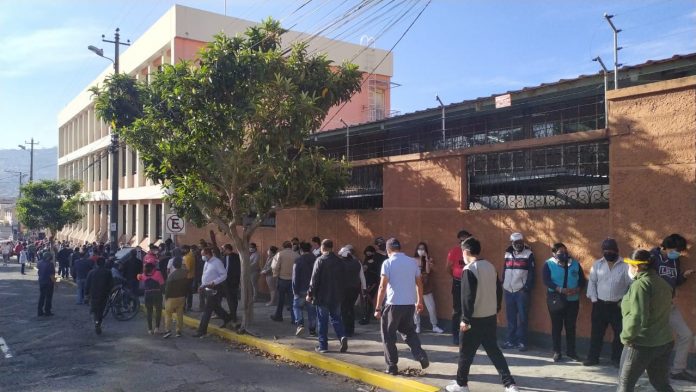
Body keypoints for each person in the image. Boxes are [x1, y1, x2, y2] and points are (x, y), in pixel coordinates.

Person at [446, 237, 519, 392]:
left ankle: (461, 384)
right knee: (494, 352)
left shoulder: (469, 270)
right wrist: (496, 309)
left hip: (472, 319)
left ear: (465, 251)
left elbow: (467, 297)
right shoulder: (490, 267)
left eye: (462, 253)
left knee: (465, 354)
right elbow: (498, 291)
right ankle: (510, 384)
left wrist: (465, 319)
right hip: (489, 317)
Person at [617, 250, 675, 392]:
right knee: (660, 384)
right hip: (664, 341)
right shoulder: (663, 283)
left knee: (625, 385)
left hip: (641, 342)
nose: (628, 268)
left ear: (637, 267)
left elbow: (637, 317)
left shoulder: (640, 285)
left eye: (630, 265)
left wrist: (626, 337)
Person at [373, 237, 429, 375]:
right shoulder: (412, 262)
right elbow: (419, 283)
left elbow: (382, 286)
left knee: (388, 336)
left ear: (388, 250)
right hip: (409, 304)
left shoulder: (387, 263)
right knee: (409, 332)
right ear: (400, 248)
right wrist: (419, 301)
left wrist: (378, 307)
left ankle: (392, 366)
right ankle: (420, 354)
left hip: (392, 305)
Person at [650, 233, 696, 382]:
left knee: (686, 335)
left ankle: (678, 370)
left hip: (669, 305)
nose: (678, 253)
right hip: (654, 306)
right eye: (676, 250)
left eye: (680, 251)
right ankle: (648, 368)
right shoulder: (653, 257)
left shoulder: (674, 262)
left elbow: (675, 281)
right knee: (655, 338)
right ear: (666, 246)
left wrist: (684, 276)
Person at [584, 238, 632, 367]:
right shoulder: (597, 264)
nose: (608, 253)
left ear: (616, 251)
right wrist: (594, 300)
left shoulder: (626, 266)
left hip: (618, 306)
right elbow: (592, 283)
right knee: (596, 333)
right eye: (605, 251)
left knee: (619, 334)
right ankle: (593, 358)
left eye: (611, 250)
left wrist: (624, 301)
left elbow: (631, 286)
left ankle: (616, 359)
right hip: (599, 305)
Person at [543, 242, 586, 362]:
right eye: (560, 252)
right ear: (554, 253)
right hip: (555, 299)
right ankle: (557, 351)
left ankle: (571, 352)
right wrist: (560, 289)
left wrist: (578, 289)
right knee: (556, 326)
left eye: (565, 251)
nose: (564, 254)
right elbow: (546, 281)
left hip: (573, 300)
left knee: (571, 326)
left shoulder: (575, 264)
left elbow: (582, 280)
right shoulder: (549, 264)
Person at [307, 239, 348, 354]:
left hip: (322, 296)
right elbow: (344, 279)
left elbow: (314, 280)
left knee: (322, 321)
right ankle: (342, 336)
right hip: (337, 296)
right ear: (332, 247)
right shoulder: (340, 261)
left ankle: (323, 346)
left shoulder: (320, 260)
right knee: (336, 318)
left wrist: (310, 294)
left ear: (322, 248)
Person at [501, 232, 535, 352]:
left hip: (521, 291)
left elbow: (531, 273)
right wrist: (503, 282)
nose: (518, 244)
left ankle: (522, 342)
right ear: (512, 243)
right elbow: (505, 269)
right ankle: (511, 340)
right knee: (510, 317)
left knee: (522, 318)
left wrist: (526, 288)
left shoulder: (528, 254)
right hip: (508, 290)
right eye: (516, 242)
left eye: (520, 242)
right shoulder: (507, 254)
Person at [193, 247, 233, 337]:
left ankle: (201, 331)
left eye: (203, 255)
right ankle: (228, 318)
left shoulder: (217, 262)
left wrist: (214, 282)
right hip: (207, 288)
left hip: (215, 288)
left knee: (207, 310)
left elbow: (224, 275)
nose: (202, 257)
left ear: (208, 254)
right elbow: (206, 275)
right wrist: (202, 286)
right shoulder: (207, 262)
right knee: (215, 307)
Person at [447, 229, 473, 345]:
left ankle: (468, 333)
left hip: (470, 283)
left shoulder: (473, 251)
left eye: (465, 240)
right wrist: (455, 276)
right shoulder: (454, 251)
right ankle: (455, 334)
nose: (463, 242)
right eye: (461, 240)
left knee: (469, 308)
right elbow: (448, 267)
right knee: (457, 310)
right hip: (458, 282)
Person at [413, 242, 444, 334]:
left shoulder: (429, 259)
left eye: (423, 249)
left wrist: (426, 258)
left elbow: (428, 271)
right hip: (416, 286)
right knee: (416, 307)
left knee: (431, 307)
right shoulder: (413, 259)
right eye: (419, 248)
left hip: (426, 286)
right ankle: (417, 326)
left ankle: (434, 326)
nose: (421, 250)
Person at [293, 242, 317, 336]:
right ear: (310, 249)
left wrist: (295, 290)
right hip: (313, 289)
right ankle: (312, 330)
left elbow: (295, 277)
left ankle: (300, 325)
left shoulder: (298, 260)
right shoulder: (316, 259)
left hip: (301, 288)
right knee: (312, 310)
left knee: (297, 307)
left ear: (301, 250)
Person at [339, 245, 363, 337]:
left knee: (344, 310)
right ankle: (351, 329)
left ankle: (346, 330)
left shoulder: (340, 263)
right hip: (355, 289)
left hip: (344, 290)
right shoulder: (357, 262)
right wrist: (363, 289)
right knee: (350, 308)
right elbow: (362, 277)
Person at [270, 241, 297, 322]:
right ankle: (294, 318)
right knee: (292, 300)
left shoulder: (280, 254)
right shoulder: (296, 255)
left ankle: (278, 316)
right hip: (292, 280)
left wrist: (275, 275)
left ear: (283, 246)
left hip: (282, 279)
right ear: (291, 246)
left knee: (280, 300)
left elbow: (275, 266)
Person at [85, 256, 113, 335]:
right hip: (104, 294)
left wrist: (86, 294)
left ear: (96, 263)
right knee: (101, 310)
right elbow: (111, 284)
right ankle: (98, 323)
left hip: (93, 294)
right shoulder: (108, 272)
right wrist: (109, 292)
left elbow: (87, 284)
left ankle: (96, 322)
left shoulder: (91, 272)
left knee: (95, 310)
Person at [163, 257, 189, 338]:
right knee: (180, 314)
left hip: (172, 297)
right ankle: (179, 331)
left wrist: (166, 297)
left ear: (173, 265)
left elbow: (168, 288)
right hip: (182, 296)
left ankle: (168, 330)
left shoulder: (171, 276)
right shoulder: (185, 272)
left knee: (168, 314)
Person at [138, 263, 165, 334]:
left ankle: (150, 329)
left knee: (149, 312)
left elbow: (139, 277)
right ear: (153, 268)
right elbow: (162, 284)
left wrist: (139, 275)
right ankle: (157, 328)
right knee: (158, 311)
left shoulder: (143, 275)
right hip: (157, 294)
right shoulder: (158, 273)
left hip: (147, 294)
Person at [360, 245, 381, 325]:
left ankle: (367, 318)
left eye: (370, 251)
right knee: (366, 300)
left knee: (368, 300)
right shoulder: (365, 260)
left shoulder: (375, 261)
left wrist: (368, 269)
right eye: (367, 251)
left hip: (373, 283)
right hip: (365, 282)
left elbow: (377, 273)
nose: (368, 253)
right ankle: (366, 317)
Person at [221, 244, 241, 325]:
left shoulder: (236, 257)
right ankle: (233, 313)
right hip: (226, 280)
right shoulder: (224, 257)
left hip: (233, 281)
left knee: (233, 298)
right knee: (230, 298)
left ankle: (233, 315)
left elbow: (237, 269)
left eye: (223, 249)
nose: (222, 251)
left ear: (227, 249)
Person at [182, 245, 196, 311]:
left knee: (184, 293)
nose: (182, 251)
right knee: (189, 293)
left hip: (186, 277)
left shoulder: (187, 257)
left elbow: (187, 269)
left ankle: (184, 307)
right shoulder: (192, 255)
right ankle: (189, 306)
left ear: (186, 249)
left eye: (183, 249)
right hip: (191, 276)